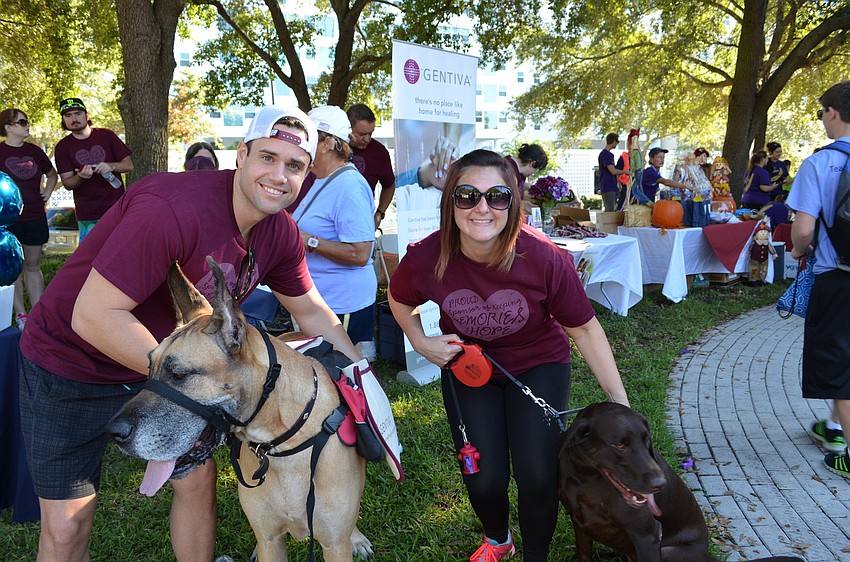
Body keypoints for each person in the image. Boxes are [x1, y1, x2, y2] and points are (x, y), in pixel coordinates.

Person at [18, 105, 362, 562]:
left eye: (295, 166)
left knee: (197, 481)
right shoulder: (171, 209)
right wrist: (190, 390)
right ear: (241, 155)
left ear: (308, 175)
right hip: (69, 363)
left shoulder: (279, 232)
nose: (279, 175)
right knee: (69, 525)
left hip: (167, 364)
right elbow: (94, 317)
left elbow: (315, 315)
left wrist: (361, 377)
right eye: (267, 157)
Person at [387, 149, 630, 562]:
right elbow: (398, 297)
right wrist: (422, 342)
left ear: (513, 201)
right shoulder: (428, 257)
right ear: (450, 202)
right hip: (468, 366)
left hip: (538, 363)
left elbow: (585, 328)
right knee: (483, 477)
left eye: (497, 196)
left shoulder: (544, 257)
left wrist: (619, 403)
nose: (482, 208)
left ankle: (536, 554)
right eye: (467, 195)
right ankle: (498, 539)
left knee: (537, 475)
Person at [786, 80, 850, 477]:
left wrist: (796, 251)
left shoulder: (820, 162)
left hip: (838, 278)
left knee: (839, 365)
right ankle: (831, 426)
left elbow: (804, 230)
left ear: (832, 112)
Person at [292, 105, 377, 359]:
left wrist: (310, 241)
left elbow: (361, 253)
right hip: (324, 302)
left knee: (346, 377)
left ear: (328, 143)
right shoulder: (323, 179)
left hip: (343, 304)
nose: (302, 147)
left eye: (308, 140)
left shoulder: (348, 185)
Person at [0, 108, 58, 329]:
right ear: (8, 127)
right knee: (13, 267)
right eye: (22, 122)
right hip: (7, 221)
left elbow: (52, 174)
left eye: (27, 121)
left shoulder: (34, 151)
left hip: (34, 214)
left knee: (33, 265)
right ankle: (20, 314)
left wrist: (48, 192)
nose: (27, 125)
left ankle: (37, 313)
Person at [53, 97, 133, 241]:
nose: (74, 118)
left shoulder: (106, 135)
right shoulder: (62, 147)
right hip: (87, 214)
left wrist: (111, 166)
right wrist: (81, 177)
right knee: (90, 258)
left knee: (120, 253)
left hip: (117, 209)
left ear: (87, 115)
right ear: (63, 120)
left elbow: (128, 165)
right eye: (68, 115)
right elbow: (67, 183)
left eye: (78, 113)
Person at [347, 103, 395, 227]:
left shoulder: (379, 152)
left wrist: (380, 213)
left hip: (363, 222)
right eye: (362, 134)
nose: (367, 139)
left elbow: (389, 185)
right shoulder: (331, 147)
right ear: (348, 128)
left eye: (370, 133)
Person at [598, 132, 630, 212]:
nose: (617, 144)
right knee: (610, 211)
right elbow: (613, 171)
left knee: (612, 209)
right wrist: (626, 172)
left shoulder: (608, 154)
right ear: (614, 141)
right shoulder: (606, 154)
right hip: (608, 186)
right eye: (617, 142)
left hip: (611, 186)